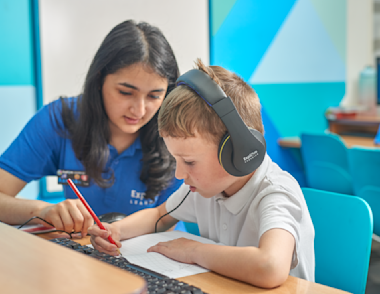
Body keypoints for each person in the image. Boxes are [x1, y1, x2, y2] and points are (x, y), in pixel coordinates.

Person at [88, 60, 315, 288]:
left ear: (238, 152)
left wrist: (194, 251)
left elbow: (270, 267)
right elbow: (159, 216)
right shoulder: (203, 187)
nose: (179, 174)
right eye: (176, 160)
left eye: (189, 161)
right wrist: (116, 230)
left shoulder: (275, 194)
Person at [0, 20, 183, 237]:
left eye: (154, 96)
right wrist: (44, 211)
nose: (139, 110)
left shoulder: (176, 135)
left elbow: (165, 222)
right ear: (99, 80)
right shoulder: (60, 119)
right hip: (82, 253)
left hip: (152, 255)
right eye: (125, 92)